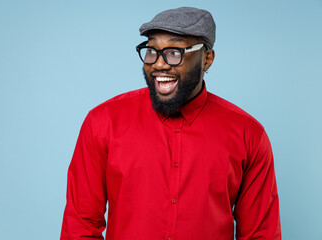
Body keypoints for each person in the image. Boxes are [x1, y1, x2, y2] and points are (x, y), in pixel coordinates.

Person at [60, 7, 281, 240]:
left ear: (207, 59)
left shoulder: (248, 135)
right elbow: (80, 226)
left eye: (174, 52)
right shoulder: (103, 123)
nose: (159, 64)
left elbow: (261, 234)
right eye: (152, 51)